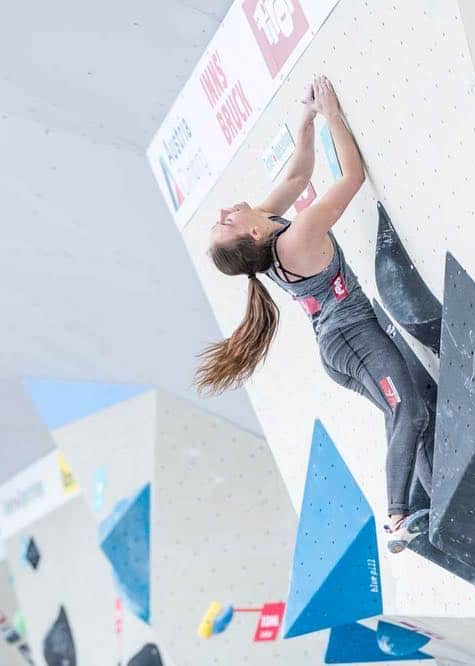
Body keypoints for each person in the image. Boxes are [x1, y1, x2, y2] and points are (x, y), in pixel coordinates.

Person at [195, 75, 433, 553]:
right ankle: (396, 519)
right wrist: (334, 115)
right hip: (351, 343)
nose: (226, 212)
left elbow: (299, 176)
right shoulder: (294, 238)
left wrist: (306, 118)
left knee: (406, 416)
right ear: (253, 238)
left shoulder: (266, 224)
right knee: (408, 410)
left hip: (347, 342)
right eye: (226, 224)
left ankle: (418, 498)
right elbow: (351, 177)